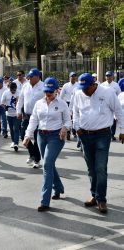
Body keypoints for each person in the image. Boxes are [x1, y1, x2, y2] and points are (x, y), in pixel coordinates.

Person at [73, 73, 124, 213]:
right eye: (81, 87)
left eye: (86, 88)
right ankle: (94, 195)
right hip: (85, 135)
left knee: (100, 168)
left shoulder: (108, 93)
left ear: (93, 84)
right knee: (91, 168)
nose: (84, 90)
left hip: (103, 135)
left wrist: (122, 130)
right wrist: (77, 128)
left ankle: (101, 199)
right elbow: (75, 112)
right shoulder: (78, 94)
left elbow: (119, 112)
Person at [23, 77, 71, 212]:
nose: (48, 94)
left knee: (47, 165)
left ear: (56, 90)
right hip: (41, 136)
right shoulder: (39, 103)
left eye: (50, 91)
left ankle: (45, 200)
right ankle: (59, 188)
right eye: (46, 91)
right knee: (49, 164)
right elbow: (33, 120)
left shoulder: (62, 104)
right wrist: (28, 135)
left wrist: (64, 128)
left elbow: (68, 121)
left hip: (56, 137)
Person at [16, 68, 43, 168]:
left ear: (37, 77)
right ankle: (32, 154)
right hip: (26, 115)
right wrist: (18, 111)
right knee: (23, 135)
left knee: (37, 138)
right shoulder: (25, 86)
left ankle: (37, 159)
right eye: (28, 77)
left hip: (39, 117)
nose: (29, 78)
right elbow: (21, 99)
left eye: (31, 77)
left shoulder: (43, 86)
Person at [1, 82, 20, 151]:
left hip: (16, 114)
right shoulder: (5, 93)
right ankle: (13, 141)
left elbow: (22, 102)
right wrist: (4, 107)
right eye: (12, 90)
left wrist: (20, 112)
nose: (13, 92)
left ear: (16, 88)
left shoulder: (19, 93)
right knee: (11, 129)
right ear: (9, 88)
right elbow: (2, 102)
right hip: (8, 114)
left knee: (16, 129)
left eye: (14, 90)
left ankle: (16, 143)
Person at [60, 72, 79, 140]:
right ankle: (68, 132)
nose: (73, 77)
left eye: (74, 76)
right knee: (67, 118)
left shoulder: (78, 85)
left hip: (75, 103)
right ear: (69, 77)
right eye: (72, 76)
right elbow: (61, 96)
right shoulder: (66, 85)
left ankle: (74, 132)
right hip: (67, 103)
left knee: (75, 118)